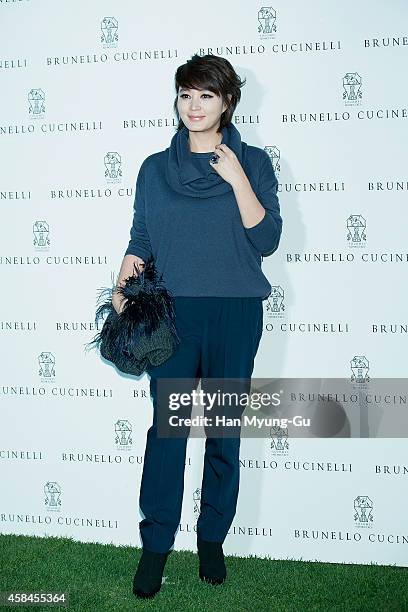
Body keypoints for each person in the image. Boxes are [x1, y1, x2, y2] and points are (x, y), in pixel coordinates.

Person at [113, 53, 283, 599]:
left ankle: (212, 540)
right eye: (186, 94)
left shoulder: (252, 162)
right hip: (171, 317)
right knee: (168, 435)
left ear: (227, 102)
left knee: (223, 434)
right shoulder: (153, 169)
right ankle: (155, 546)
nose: (194, 105)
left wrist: (236, 179)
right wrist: (122, 289)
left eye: (206, 95)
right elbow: (141, 238)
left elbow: (267, 239)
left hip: (235, 314)